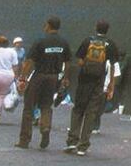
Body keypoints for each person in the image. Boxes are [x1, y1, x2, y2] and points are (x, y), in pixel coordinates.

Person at [15, 16, 71, 150]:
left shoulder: (40, 41)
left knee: (29, 107)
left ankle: (24, 140)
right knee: (46, 106)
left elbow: (30, 62)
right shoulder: (63, 42)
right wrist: (65, 78)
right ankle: (45, 128)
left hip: (39, 76)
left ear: (48, 25)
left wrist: (23, 77)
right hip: (53, 78)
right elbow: (68, 62)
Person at [65, 20, 119, 156]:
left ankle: (72, 141)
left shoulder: (87, 41)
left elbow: (80, 60)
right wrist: (111, 84)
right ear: (108, 30)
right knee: (91, 112)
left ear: (96, 28)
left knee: (78, 109)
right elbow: (113, 66)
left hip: (84, 80)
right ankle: (83, 146)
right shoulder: (110, 44)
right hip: (98, 82)